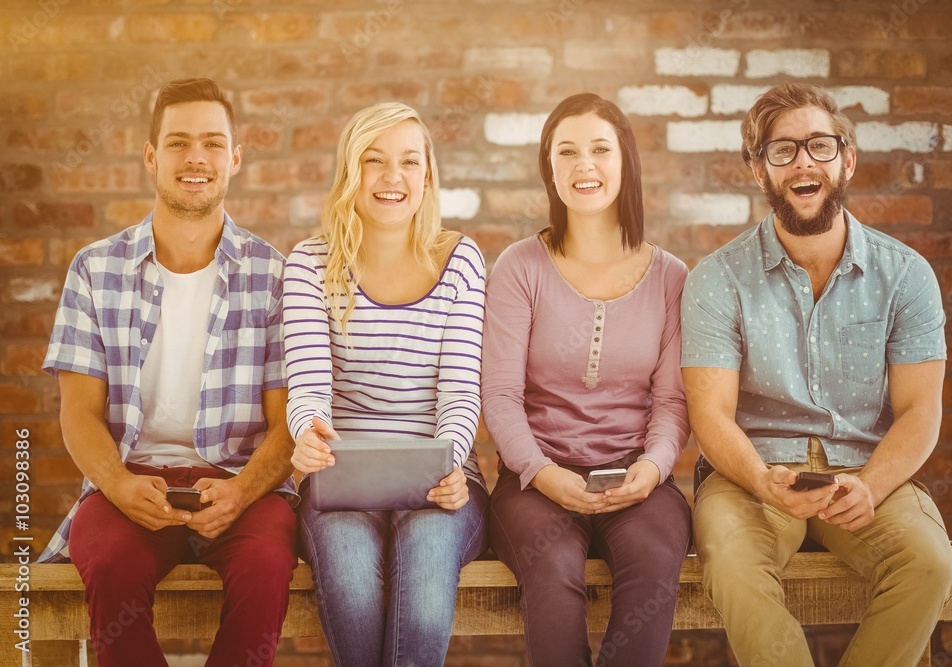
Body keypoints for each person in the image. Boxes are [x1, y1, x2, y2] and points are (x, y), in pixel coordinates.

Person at [681, 82, 952, 666]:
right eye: (782, 150)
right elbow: (709, 414)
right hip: (751, 473)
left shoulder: (906, 276)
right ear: (759, 171)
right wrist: (760, 480)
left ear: (846, 159)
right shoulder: (717, 279)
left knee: (928, 562)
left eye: (820, 146)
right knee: (732, 564)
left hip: (865, 471)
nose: (803, 161)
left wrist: (874, 486)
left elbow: (920, 411)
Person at [39, 78, 297, 667]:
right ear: (152, 156)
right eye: (179, 143)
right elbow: (77, 412)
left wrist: (242, 491)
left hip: (241, 484)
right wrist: (116, 483)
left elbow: (288, 423)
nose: (196, 158)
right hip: (131, 480)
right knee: (107, 563)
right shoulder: (95, 269)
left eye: (212, 143)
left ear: (235, 158)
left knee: (267, 566)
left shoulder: (274, 276)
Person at [482, 93, 692, 667]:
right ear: (549, 168)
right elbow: (499, 398)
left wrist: (651, 469)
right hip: (534, 482)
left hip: (639, 481)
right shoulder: (520, 267)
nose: (584, 166)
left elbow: (673, 402)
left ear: (625, 162)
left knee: (652, 564)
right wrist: (543, 473)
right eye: (567, 152)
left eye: (600, 149)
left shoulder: (671, 276)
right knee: (552, 572)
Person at [283, 102, 488, 667]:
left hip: (441, 483)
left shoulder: (461, 261)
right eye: (374, 161)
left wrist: (450, 461)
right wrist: (310, 431)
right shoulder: (309, 264)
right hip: (341, 477)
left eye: (408, 162)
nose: (392, 177)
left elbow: (461, 391)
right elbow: (307, 388)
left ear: (427, 175)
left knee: (422, 594)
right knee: (352, 592)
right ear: (351, 172)